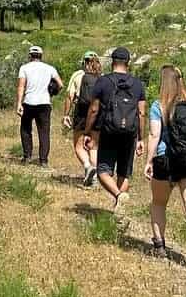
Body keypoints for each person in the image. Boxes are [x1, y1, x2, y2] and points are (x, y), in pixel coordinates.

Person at [144, 64, 186, 274]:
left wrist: (148, 161)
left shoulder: (159, 105)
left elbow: (155, 136)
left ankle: (160, 247)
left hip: (165, 160)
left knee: (158, 203)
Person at [81, 46, 145, 211]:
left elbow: (94, 109)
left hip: (109, 131)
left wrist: (87, 132)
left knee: (103, 171)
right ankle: (119, 208)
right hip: (130, 133)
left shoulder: (103, 81)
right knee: (124, 173)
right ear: (128, 63)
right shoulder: (137, 84)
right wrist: (141, 138)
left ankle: (118, 197)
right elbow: (142, 113)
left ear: (112, 62)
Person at [15, 45, 61, 167]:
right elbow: (60, 84)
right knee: (44, 132)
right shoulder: (50, 68)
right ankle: (43, 160)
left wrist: (19, 103)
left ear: (30, 56)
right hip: (44, 103)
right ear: (41, 56)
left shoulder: (24, 68)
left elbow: (21, 86)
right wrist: (52, 93)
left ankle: (27, 157)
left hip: (29, 102)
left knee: (25, 129)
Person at [63, 51, 102, 186]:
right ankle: (95, 176)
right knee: (93, 146)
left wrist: (66, 114)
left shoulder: (78, 75)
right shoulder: (101, 77)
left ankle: (87, 166)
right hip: (97, 114)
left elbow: (70, 96)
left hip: (81, 113)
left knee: (79, 146)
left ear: (84, 62)